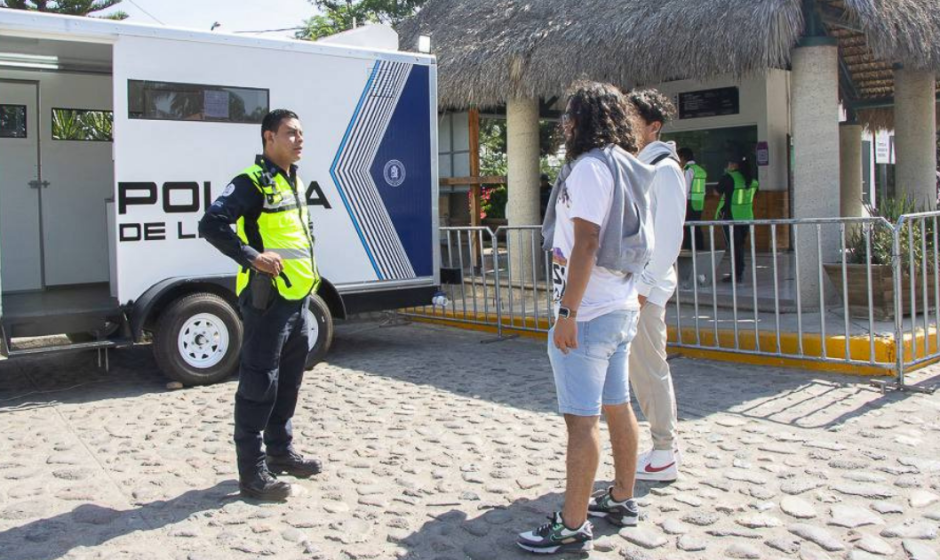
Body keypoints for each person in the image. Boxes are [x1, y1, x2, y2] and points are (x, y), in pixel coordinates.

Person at [517, 82, 654, 554]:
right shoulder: (623, 164)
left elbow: (588, 245)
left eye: (569, 114)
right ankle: (621, 498)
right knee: (618, 407)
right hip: (618, 306)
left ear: (584, 120)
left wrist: (567, 314)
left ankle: (573, 524)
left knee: (582, 422)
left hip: (590, 314)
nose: (564, 123)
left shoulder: (589, 170)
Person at [199, 109, 322, 501]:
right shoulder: (252, 182)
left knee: (288, 382)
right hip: (267, 301)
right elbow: (211, 224)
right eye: (291, 133)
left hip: (298, 297)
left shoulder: (295, 181)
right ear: (269, 137)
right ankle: (252, 475)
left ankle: (281, 451)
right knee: (258, 384)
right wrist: (252, 256)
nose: (299, 139)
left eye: (301, 133)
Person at [626, 89, 687, 483]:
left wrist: (644, 287)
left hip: (645, 288)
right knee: (641, 368)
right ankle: (660, 448)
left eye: (633, 120)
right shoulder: (643, 165)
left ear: (653, 126)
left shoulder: (664, 169)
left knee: (649, 368)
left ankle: (664, 450)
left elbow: (667, 237)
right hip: (637, 285)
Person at [715, 151, 759, 282]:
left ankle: (736, 274)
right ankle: (739, 272)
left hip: (731, 217)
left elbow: (716, 192)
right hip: (746, 217)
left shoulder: (729, 177)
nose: (728, 165)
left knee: (734, 246)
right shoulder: (752, 180)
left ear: (734, 165)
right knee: (739, 246)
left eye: (729, 163)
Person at [678, 147, 707, 251]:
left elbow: (684, 188)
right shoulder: (699, 170)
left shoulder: (688, 170)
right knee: (697, 228)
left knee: (688, 229)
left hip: (689, 203)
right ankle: (700, 249)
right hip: (699, 202)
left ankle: (690, 250)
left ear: (683, 157)